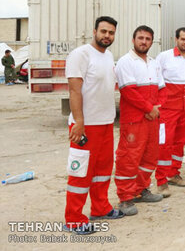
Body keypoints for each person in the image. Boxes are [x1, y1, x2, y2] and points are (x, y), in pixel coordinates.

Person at [63, 16, 122, 235]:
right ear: (94, 31)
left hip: (106, 123)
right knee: (81, 174)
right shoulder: (80, 55)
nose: (107, 36)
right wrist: (79, 122)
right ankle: (74, 219)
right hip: (85, 126)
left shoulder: (108, 55)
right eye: (104, 31)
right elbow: (74, 91)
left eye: (111, 33)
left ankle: (100, 207)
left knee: (103, 171)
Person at [114, 25, 167, 216]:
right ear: (133, 39)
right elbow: (128, 91)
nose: (144, 41)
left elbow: (162, 89)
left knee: (149, 156)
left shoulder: (154, 63)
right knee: (129, 158)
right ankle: (126, 198)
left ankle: (141, 189)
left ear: (152, 42)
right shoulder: (125, 62)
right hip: (134, 120)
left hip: (152, 118)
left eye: (147, 39)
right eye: (140, 38)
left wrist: (157, 108)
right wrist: (148, 109)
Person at [155, 27, 185, 196]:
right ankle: (161, 180)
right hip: (167, 109)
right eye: (183, 39)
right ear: (176, 39)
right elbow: (157, 82)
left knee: (180, 142)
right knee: (165, 143)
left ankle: (174, 173)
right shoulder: (164, 57)